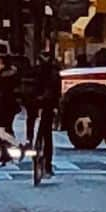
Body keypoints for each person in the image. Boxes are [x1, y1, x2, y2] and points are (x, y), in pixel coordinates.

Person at [31, 49, 62, 177]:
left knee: (45, 133)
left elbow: (55, 90)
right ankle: (46, 165)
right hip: (43, 103)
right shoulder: (50, 71)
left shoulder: (49, 72)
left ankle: (46, 164)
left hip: (45, 103)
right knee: (45, 134)